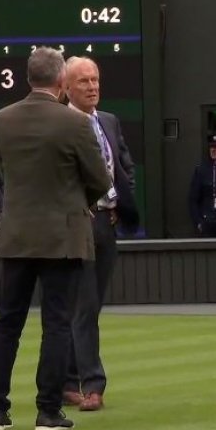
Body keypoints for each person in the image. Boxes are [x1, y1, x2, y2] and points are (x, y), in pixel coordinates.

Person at [0, 47, 111, 430]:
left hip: (17, 235)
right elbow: (100, 179)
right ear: (61, 81)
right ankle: (48, 411)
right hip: (62, 237)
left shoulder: (3, 119)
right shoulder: (75, 123)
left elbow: (5, 171)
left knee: (7, 323)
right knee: (56, 324)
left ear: (28, 78)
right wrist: (81, 202)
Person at [61, 56, 139, 412]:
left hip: (107, 223)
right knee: (84, 305)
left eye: (95, 80)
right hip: (78, 224)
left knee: (89, 307)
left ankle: (67, 380)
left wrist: (120, 201)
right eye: (83, 81)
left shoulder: (108, 120)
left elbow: (124, 166)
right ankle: (92, 385)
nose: (92, 87)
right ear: (66, 87)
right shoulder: (60, 123)